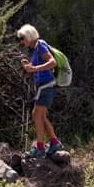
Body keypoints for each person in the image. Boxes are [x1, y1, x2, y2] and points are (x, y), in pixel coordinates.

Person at [17, 24, 63, 157]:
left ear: (29, 36)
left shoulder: (40, 45)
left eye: (22, 38)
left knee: (36, 114)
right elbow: (38, 66)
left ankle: (40, 147)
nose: (21, 41)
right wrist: (29, 66)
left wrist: (34, 69)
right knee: (41, 116)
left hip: (46, 85)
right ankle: (54, 142)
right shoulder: (35, 48)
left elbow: (52, 62)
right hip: (43, 85)